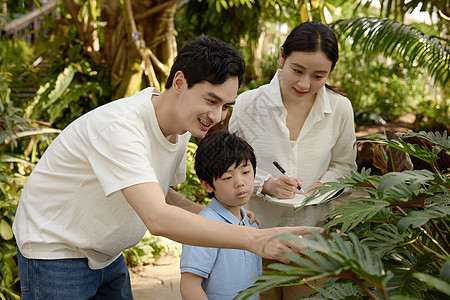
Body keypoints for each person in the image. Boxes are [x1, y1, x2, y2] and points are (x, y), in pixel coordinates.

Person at [12, 36, 320, 299]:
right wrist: (254, 240)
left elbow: (164, 195)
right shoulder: (121, 128)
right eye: (211, 100)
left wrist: (229, 220)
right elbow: (158, 218)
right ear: (180, 82)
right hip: (56, 251)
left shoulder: (181, 126)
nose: (216, 116)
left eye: (225, 106)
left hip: (106, 254)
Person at [228, 22, 357, 299]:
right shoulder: (248, 104)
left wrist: (323, 185)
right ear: (282, 56)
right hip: (255, 237)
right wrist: (265, 184)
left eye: (318, 76)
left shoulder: (340, 109)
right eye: (297, 70)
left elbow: (346, 167)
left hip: (314, 243)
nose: (304, 83)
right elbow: (228, 167)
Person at [180, 130, 262, 300]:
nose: (240, 183)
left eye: (245, 172)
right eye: (227, 177)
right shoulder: (203, 228)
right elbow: (189, 286)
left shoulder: (251, 223)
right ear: (207, 185)